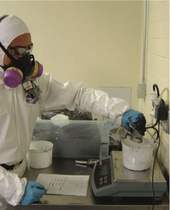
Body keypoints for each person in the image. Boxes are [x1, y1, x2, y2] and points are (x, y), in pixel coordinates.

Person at [0, 14, 146, 207]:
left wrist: (121, 111)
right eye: (18, 51)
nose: (26, 58)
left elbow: (78, 95)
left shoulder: (30, 83)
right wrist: (15, 189)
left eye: (29, 49)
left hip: (21, 174)